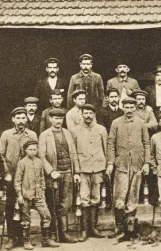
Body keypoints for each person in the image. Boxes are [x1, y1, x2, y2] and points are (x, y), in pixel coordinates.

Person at [106, 97, 150, 235]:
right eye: (127, 107)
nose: (129, 110)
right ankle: (119, 226)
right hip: (122, 164)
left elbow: (147, 143)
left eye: (132, 107)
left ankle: (130, 226)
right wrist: (111, 162)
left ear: (135, 108)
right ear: (122, 107)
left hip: (137, 163)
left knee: (133, 194)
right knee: (119, 195)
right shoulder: (116, 123)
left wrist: (147, 163)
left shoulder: (141, 123)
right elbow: (111, 143)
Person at [38, 108, 80, 244]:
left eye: (60, 118)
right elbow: (41, 156)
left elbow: (73, 153)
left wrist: (77, 172)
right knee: (53, 204)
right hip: (53, 175)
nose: (58, 121)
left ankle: (64, 233)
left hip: (67, 172)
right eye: (55, 118)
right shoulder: (45, 135)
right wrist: (51, 171)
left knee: (65, 204)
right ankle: (52, 235)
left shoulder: (67, 133)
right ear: (50, 119)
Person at [0, 107, 37, 250]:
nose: (21, 121)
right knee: (10, 206)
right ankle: (11, 237)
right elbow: (1, 156)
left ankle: (24, 237)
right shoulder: (6, 134)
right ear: (13, 119)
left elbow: (36, 154)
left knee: (25, 207)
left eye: (23, 117)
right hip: (11, 176)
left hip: (27, 177)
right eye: (18, 118)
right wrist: (6, 173)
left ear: (27, 119)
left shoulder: (32, 134)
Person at [71, 104, 107, 242]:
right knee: (84, 198)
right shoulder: (74, 131)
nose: (88, 116)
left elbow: (105, 148)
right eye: (85, 113)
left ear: (94, 115)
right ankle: (84, 230)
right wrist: (76, 171)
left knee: (96, 197)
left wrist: (105, 166)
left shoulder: (101, 130)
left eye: (90, 113)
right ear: (81, 114)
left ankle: (93, 228)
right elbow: (73, 153)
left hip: (98, 168)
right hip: (83, 169)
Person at [14, 140, 59, 250]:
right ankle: (26, 241)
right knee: (25, 220)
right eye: (30, 149)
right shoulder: (22, 163)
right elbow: (17, 180)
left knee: (47, 216)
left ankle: (46, 239)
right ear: (25, 150)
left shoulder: (39, 162)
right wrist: (19, 195)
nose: (33, 151)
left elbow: (42, 178)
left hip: (38, 195)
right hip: (26, 196)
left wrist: (42, 191)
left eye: (35, 149)